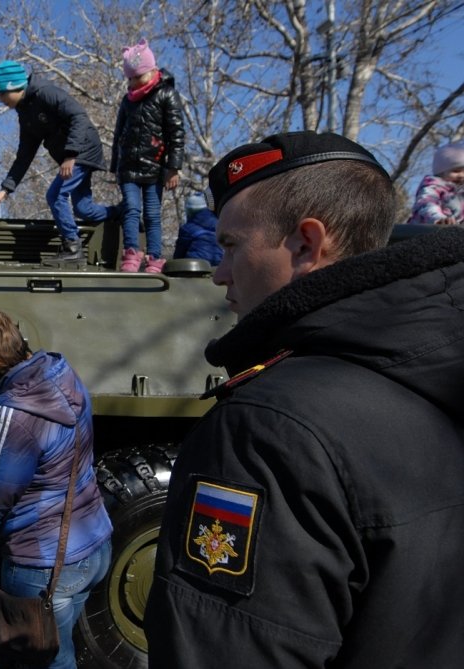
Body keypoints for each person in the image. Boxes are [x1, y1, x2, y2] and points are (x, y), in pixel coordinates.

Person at [144, 130, 464, 668]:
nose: (219, 274)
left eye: (230, 246)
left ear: (307, 245)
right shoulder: (437, 377)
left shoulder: (267, 430)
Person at [0, 307, 113, 669]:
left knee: (43, 661)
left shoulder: (13, 413)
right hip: (93, 540)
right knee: (61, 649)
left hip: (43, 562)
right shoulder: (60, 370)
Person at [0, 60, 117, 268]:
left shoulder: (45, 92)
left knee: (55, 195)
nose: (1, 100)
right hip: (72, 155)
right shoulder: (25, 113)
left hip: (82, 148)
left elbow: (78, 116)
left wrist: (71, 155)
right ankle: (125, 212)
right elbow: (24, 155)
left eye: (1, 94)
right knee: (83, 209)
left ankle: (73, 248)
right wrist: (5, 190)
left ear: (12, 86)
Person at [110, 39, 185, 274]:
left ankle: (155, 257)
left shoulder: (166, 95)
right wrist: (115, 165)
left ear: (152, 71)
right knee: (131, 209)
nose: (132, 83)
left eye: (136, 77)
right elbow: (118, 134)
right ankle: (131, 252)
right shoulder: (127, 100)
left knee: (152, 213)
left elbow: (176, 133)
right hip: (129, 168)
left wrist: (173, 167)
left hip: (155, 169)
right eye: (129, 79)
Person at [407, 140, 463, 225]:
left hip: (452, 233)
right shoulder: (434, 187)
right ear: (441, 173)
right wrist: (438, 218)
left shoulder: (460, 193)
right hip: (424, 230)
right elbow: (426, 203)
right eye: (456, 171)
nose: (461, 175)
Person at [173, 192, 221, 265]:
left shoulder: (187, 229)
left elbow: (179, 254)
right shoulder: (218, 223)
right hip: (220, 262)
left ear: (189, 211)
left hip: (197, 264)